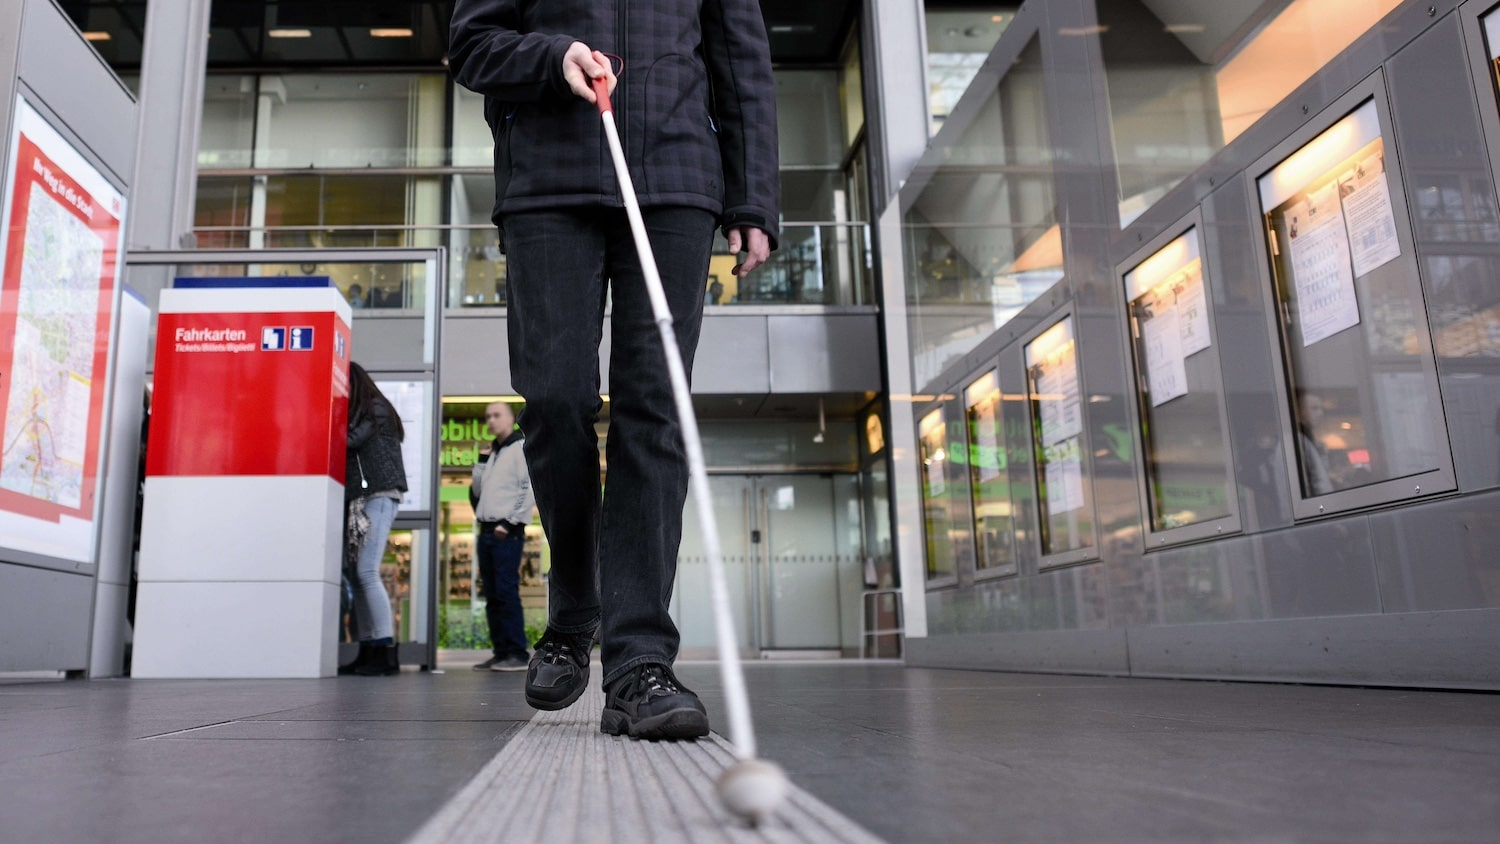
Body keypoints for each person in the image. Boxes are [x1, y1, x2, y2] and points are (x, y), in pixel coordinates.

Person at [450, 0, 779, 739]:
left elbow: (741, 61)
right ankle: (574, 607)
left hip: (676, 180)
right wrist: (551, 56)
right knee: (557, 400)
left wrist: (753, 194)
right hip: (547, 181)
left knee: (654, 411)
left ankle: (638, 660)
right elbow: (472, 45)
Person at [339, 363, 409, 676]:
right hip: (366, 498)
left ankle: (383, 649)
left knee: (366, 571)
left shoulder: (374, 409)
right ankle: (369, 648)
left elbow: (349, 441)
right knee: (357, 574)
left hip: (379, 495)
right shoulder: (369, 409)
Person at [469, 401, 534, 672]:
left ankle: (517, 653)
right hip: (486, 531)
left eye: (496, 415)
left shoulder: (520, 448)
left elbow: (529, 486)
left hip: (505, 532)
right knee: (493, 594)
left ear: (510, 419)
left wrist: (509, 523)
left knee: (506, 592)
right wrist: (482, 462)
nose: (491, 420)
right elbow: (477, 492)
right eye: (487, 416)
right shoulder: (494, 452)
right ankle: (501, 651)